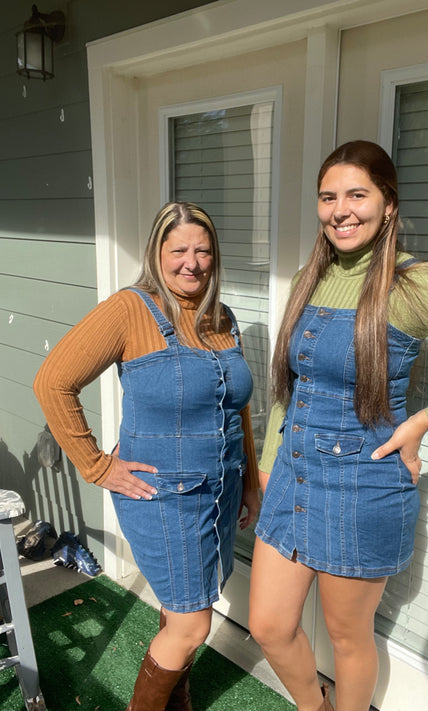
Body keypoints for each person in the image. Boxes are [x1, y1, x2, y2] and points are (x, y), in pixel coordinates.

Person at [248, 140, 428, 711]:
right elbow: (291, 387)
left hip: (362, 485)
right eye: (328, 197)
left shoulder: (417, 285)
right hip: (291, 480)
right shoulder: (311, 275)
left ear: (388, 203)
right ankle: (314, 706)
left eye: (358, 194)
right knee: (269, 626)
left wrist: (423, 422)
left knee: (349, 638)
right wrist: (263, 468)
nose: (340, 210)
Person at [34, 202, 260, 711]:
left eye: (203, 251)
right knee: (192, 621)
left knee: (187, 607)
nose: (192, 262)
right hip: (165, 497)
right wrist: (97, 465)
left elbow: (237, 408)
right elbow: (53, 382)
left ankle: (176, 700)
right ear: (157, 254)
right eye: (178, 250)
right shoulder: (129, 309)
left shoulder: (223, 317)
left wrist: (249, 480)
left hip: (220, 489)